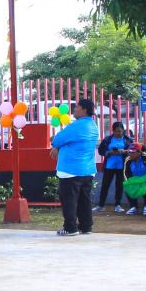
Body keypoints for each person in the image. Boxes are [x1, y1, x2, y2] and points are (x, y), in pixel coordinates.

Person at [50, 99, 100, 236]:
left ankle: (70, 228)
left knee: (69, 201)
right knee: (85, 200)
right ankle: (86, 226)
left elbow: (57, 139)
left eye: (77, 107)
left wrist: (56, 146)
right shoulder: (93, 125)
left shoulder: (77, 125)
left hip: (70, 170)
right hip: (87, 169)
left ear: (84, 110)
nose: (74, 109)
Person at [95, 122, 132, 213]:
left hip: (121, 166)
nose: (118, 133)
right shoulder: (107, 139)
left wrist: (124, 152)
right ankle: (101, 205)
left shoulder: (128, 140)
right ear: (113, 131)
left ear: (123, 130)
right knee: (105, 185)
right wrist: (109, 152)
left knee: (119, 185)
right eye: (116, 131)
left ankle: (118, 205)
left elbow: (132, 150)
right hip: (109, 166)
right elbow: (100, 150)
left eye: (120, 131)